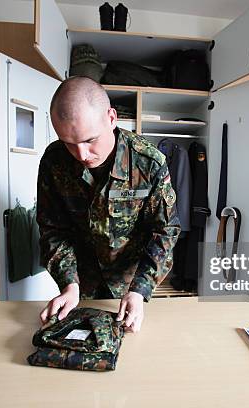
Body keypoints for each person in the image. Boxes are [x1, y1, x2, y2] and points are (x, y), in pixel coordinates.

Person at [36, 76, 181, 333]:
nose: (81, 155)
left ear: (111, 118)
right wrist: (69, 284)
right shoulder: (54, 161)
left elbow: (165, 231)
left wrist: (140, 290)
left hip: (132, 285)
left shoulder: (148, 163)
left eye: (90, 140)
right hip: (79, 284)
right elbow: (53, 229)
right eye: (69, 143)